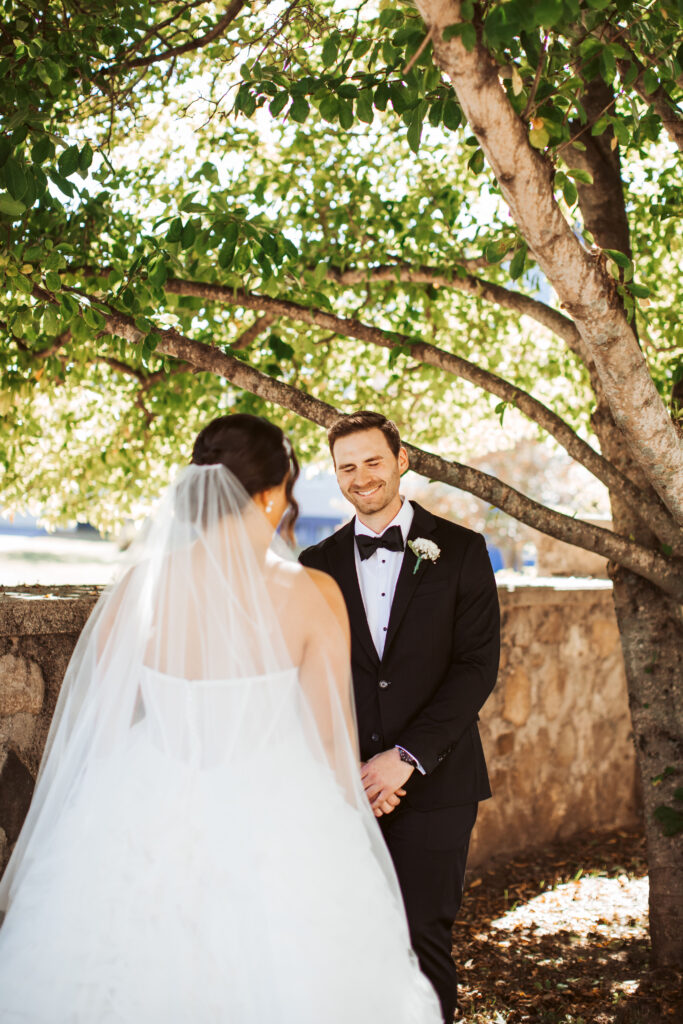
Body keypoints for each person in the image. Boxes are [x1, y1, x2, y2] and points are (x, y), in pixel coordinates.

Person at [0, 414, 441, 1024]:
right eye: (286, 490)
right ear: (266, 497)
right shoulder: (312, 595)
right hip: (278, 818)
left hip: (145, 804)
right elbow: (328, 746)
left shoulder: (135, 589)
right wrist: (354, 812)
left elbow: (99, 734)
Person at [299, 411, 500, 1023]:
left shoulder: (463, 550)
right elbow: (312, 678)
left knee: (422, 942)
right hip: (347, 790)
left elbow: (475, 668)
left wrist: (402, 759)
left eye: (372, 461)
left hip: (438, 786)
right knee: (349, 942)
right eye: (347, 467)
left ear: (402, 460)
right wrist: (355, 771)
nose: (361, 477)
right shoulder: (315, 562)